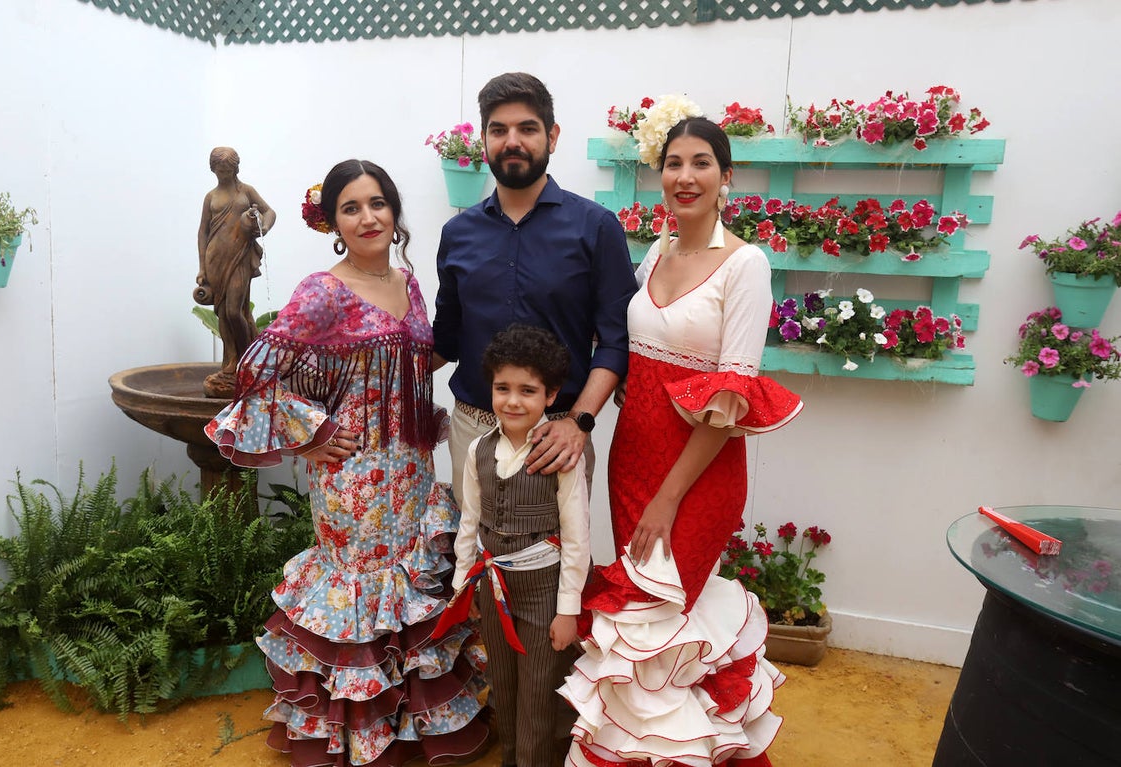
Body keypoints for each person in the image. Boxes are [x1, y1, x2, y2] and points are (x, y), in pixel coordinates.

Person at [204, 159, 490, 767]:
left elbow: (413, 359)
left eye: (378, 203)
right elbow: (255, 371)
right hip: (351, 479)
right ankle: (358, 734)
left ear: (394, 212)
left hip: (411, 467)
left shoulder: (407, 282)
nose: (368, 217)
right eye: (352, 208)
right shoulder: (321, 291)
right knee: (364, 594)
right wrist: (308, 436)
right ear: (333, 221)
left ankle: (413, 727)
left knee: (409, 589)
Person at [558, 109, 804, 767]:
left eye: (701, 163)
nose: (685, 176)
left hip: (697, 473)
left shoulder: (746, 264)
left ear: (727, 177)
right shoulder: (655, 253)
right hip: (629, 457)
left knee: (664, 617)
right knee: (644, 628)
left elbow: (732, 401)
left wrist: (668, 497)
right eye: (673, 163)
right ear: (659, 174)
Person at [432, 72, 637, 501]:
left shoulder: (595, 228)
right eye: (498, 130)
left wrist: (578, 422)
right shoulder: (458, 234)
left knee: (561, 561)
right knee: (472, 557)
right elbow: (446, 339)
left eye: (527, 129)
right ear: (484, 140)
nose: (512, 141)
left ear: (552, 136)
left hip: (558, 435)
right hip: (473, 431)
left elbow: (617, 342)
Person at [434, 324, 590, 767]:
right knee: (502, 687)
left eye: (528, 390)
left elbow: (577, 535)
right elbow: (470, 521)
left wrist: (568, 609)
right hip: (493, 586)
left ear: (550, 395)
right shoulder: (480, 449)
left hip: (545, 593)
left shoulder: (560, 454)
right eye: (503, 388)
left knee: (540, 692)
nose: (513, 401)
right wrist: (466, 585)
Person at [195, 146, 277, 398]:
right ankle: (231, 363)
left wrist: (263, 225)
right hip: (215, 259)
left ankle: (248, 359)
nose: (223, 175)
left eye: (227, 170)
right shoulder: (210, 197)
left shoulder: (246, 191)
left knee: (234, 311)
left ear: (235, 168)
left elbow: (270, 212)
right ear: (213, 170)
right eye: (219, 170)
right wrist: (201, 268)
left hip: (240, 256)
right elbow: (203, 232)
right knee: (223, 313)